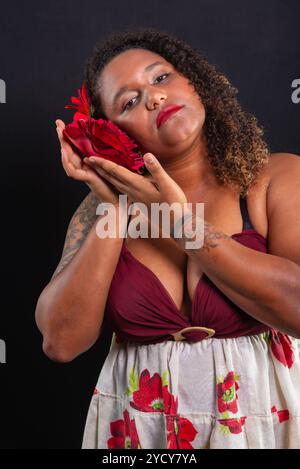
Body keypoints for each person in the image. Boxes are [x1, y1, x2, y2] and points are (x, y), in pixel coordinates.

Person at [35, 27, 300, 449]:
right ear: (114, 132)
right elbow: (61, 341)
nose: (154, 98)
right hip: (142, 437)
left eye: (160, 78)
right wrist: (117, 206)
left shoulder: (273, 179)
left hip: (260, 428)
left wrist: (178, 224)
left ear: (194, 82)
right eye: (129, 101)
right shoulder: (99, 213)